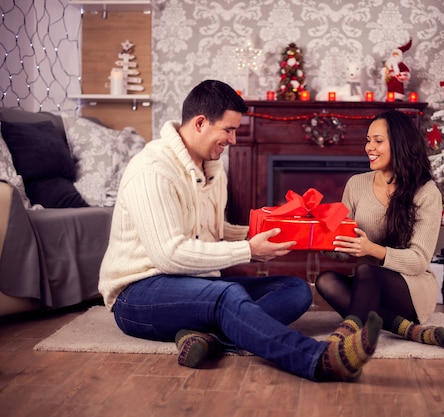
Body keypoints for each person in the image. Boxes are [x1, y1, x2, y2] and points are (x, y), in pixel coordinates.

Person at [98, 79, 382, 382]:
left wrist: (277, 232)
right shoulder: (153, 170)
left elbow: (216, 231)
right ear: (200, 123)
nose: (233, 140)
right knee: (227, 295)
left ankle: (206, 338)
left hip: (196, 285)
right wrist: (249, 250)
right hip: (139, 295)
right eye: (228, 130)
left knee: (295, 290)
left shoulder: (212, 167)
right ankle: (319, 359)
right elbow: (169, 255)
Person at [315, 110, 444, 350]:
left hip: (411, 288)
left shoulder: (426, 192)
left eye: (378, 141)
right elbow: (344, 245)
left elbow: (419, 261)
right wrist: (319, 238)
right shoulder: (356, 184)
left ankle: (347, 333)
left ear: (399, 144)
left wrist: (372, 249)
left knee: (366, 270)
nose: (369, 147)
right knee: (326, 281)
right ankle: (410, 331)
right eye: (368, 140)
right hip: (367, 283)